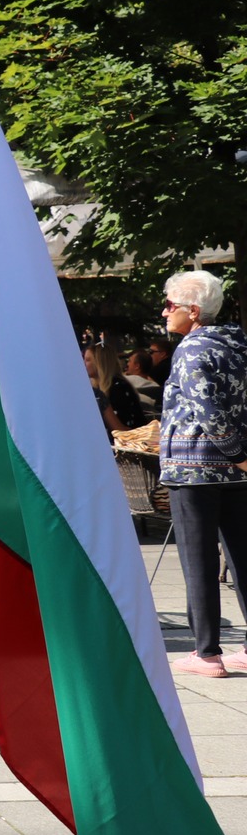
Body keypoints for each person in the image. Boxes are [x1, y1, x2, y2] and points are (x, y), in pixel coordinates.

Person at [158, 269, 247, 678]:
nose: (164, 313)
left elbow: (207, 412)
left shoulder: (191, 350)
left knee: (198, 560)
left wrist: (237, 453)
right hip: (234, 471)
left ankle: (207, 653)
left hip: (193, 467)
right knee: (241, 556)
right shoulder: (238, 344)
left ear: (193, 312)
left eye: (170, 305)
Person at [83, 340, 142, 433]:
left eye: (87, 360)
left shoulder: (118, 389)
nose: (83, 363)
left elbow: (122, 430)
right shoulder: (99, 387)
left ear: (100, 362)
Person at [123, 345, 164, 423]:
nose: (127, 364)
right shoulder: (156, 386)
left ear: (137, 366)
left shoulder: (127, 381)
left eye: (129, 361)